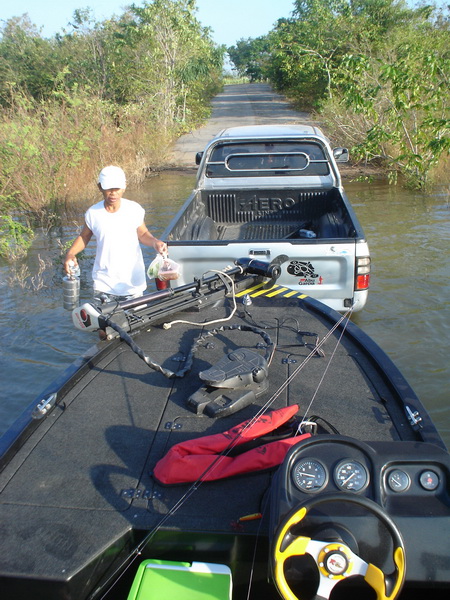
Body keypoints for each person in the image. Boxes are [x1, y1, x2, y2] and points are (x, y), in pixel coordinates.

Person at [64, 165, 167, 302]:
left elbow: (142, 234)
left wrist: (155, 242)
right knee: (104, 321)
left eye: (117, 188)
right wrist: (70, 254)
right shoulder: (93, 213)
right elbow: (84, 237)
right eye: (108, 189)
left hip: (132, 283)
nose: (113, 193)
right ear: (100, 187)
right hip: (103, 284)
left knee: (135, 321)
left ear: (124, 186)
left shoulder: (134, 209)